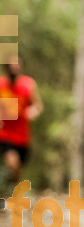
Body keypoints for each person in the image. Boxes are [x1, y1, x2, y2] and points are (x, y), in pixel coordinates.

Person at [0, 56, 43, 186]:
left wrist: (33, 111)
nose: (14, 67)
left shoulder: (28, 84)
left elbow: (38, 105)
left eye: (17, 65)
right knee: (13, 163)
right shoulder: (1, 84)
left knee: (17, 171)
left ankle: (7, 190)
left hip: (22, 135)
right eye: (11, 65)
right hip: (5, 134)